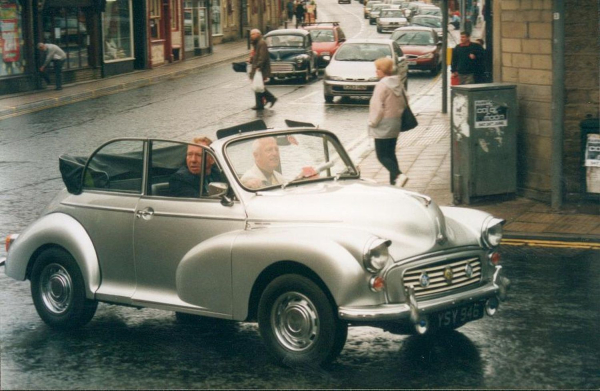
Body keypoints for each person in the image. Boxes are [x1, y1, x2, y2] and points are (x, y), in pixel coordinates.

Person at [368, 57, 409, 187]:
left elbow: (377, 107)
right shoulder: (398, 83)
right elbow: (406, 99)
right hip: (395, 123)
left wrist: (372, 122)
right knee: (390, 153)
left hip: (383, 124)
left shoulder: (382, 85)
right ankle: (395, 183)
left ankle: (398, 175)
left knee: (381, 155)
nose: (376, 71)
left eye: (378, 69)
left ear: (383, 70)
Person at [249, 29, 277, 110]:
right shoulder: (257, 43)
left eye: (253, 34)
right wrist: (251, 60)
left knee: (259, 86)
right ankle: (260, 104)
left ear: (258, 34)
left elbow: (262, 56)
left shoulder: (261, 43)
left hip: (260, 68)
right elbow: (256, 55)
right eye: (251, 35)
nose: (251, 36)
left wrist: (258, 66)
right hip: (257, 67)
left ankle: (271, 98)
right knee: (258, 86)